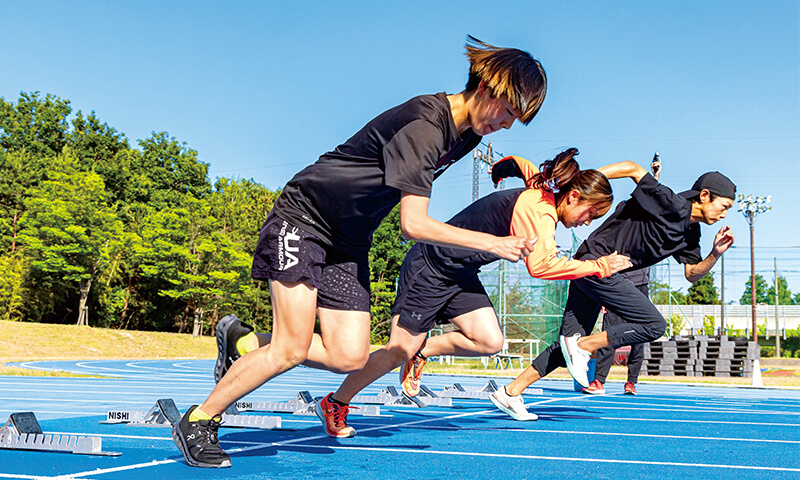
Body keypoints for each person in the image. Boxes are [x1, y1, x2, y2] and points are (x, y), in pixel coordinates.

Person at [172, 36, 548, 468]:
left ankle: (241, 340)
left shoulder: (466, 137)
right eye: (507, 111)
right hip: (305, 218)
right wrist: (494, 243)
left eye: (515, 120)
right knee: (291, 349)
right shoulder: (427, 124)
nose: (505, 123)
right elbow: (413, 224)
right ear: (486, 86)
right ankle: (199, 420)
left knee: (348, 355)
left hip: (349, 240)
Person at [311, 148, 632, 437]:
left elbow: (524, 164)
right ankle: (336, 402)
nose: (586, 222)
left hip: (459, 274)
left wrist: (501, 168)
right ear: (574, 197)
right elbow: (542, 267)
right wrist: (599, 266)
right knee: (397, 349)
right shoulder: (541, 213)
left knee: (488, 341)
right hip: (430, 265)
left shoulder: (542, 188)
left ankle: (422, 351)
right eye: (591, 214)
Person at [491, 158, 735, 420]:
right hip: (597, 263)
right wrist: (583, 181)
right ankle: (584, 345)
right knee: (654, 325)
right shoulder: (670, 202)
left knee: (566, 347)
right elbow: (632, 168)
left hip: (592, 269)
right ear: (705, 196)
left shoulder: (690, 234)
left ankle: (511, 392)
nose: (724, 214)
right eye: (724, 207)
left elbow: (692, 274)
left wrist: (715, 253)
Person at [582, 153, 660, 396]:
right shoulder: (612, 236)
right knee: (609, 335)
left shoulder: (645, 231)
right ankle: (599, 381)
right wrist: (604, 297)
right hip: (617, 288)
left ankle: (631, 382)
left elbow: (656, 200)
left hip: (640, 287)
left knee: (640, 337)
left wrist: (655, 175)